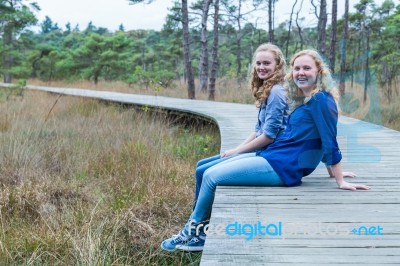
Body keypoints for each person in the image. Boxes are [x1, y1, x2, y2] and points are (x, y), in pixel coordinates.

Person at [160, 49, 370, 253]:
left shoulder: (320, 101)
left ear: (319, 72)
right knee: (206, 171)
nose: (301, 73)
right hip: (274, 155)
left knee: (211, 176)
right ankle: (198, 230)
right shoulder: (306, 98)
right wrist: (331, 170)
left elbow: (328, 138)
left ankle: (192, 233)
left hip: (284, 166)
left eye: (307, 68)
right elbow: (317, 138)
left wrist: (339, 178)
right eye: (297, 68)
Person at [193, 43, 289, 209]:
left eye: (267, 63)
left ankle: (198, 227)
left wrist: (237, 152)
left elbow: (269, 136)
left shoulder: (276, 92)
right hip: (264, 149)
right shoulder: (267, 88)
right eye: (258, 63)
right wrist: (237, 148)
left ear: (277, 66)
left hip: (271, 155)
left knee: (205, 172)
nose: (261, 67)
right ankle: (196, 218)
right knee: (201, 166)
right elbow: (258, 131)